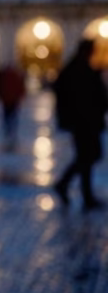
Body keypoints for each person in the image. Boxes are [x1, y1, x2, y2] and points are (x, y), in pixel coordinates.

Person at [53, 39, 107, 211]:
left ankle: (82, 192)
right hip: (84, 122)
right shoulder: (79, 70)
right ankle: (70, 187)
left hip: (83, 121)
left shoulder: (77, 68)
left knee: (86, 157)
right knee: (87, 156)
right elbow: (88, 96)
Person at [0, 63, 26, 148]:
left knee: (7, 117)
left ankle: (8, 132)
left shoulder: (5, 76)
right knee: (13, 117)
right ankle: (11, 133)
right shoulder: (15, 76)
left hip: (7, 100)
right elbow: (20, 87)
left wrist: (0, 96)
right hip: (13, 100)